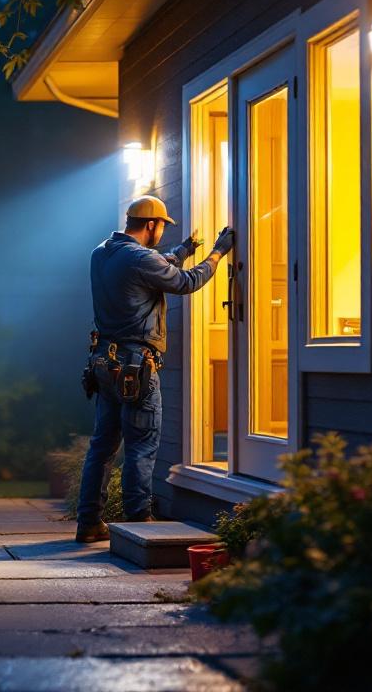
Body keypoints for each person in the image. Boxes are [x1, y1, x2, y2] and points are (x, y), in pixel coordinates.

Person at [76, 195, 234, 543]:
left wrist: (185, 248)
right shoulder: (139, 258)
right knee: (141, 444)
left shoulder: (102, 252)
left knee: (102, 445)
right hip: (135, 366)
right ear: (151, 225)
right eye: (162, 226)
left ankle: (88, 522)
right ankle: (137, 524)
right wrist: (218, 253)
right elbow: (184, 282)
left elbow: (155, 267)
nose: (161, 232)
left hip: (104, 361)